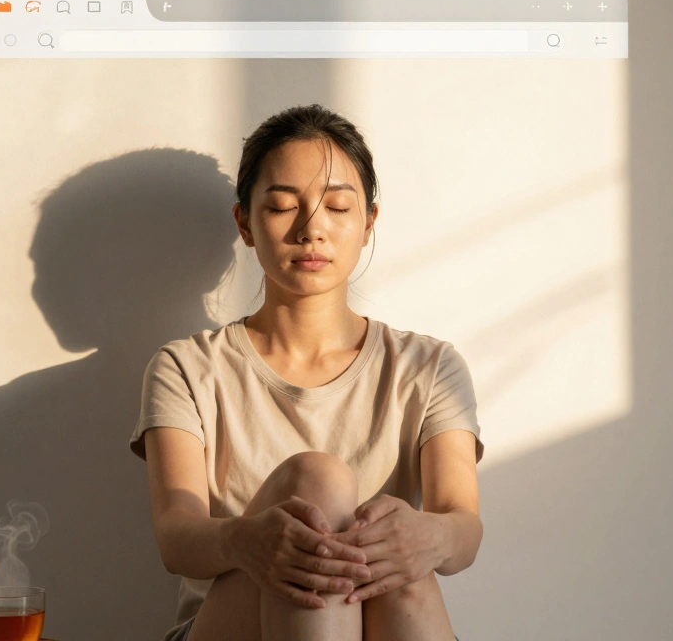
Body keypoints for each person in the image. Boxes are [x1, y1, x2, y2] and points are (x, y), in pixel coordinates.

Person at [129, 104, 484, 641]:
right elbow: (177, 537)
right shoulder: (186, 367)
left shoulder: (429, 367)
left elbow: (463, 523)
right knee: (318, 481)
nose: (311, 229)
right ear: (245, 223)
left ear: (368, 223)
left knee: (401, 564)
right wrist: (242, 542)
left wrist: (426, 538)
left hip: (382, 620)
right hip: (228, 626)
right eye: (280, 206)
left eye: (338, 206)